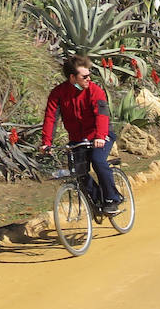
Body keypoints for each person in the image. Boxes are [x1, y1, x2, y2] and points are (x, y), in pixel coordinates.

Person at [40, 55, 121, 215]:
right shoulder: (58, 93)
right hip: (77, 139)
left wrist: (100, 136)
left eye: (89, 75)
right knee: (78, 172)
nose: (88, 79)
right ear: (72, 77)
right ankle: (98, 202)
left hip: (100, 135)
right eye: (84, 76)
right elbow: (50, 118)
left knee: (98, 161)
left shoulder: (95, 91)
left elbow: (102, 115)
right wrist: (46, 142)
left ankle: (112, 199)